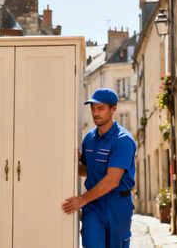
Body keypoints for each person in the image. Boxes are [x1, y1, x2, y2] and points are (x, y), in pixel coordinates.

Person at [62, 88, 138, 248]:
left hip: (117, 205)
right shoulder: (89, 139)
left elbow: (112, 180)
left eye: (101, 108)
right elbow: (88, 170)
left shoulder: (123, 140)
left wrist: (82, 200)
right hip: (93, 206)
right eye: (93, 108)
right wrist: (70, 162)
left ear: (113, 109)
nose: (95, 113)